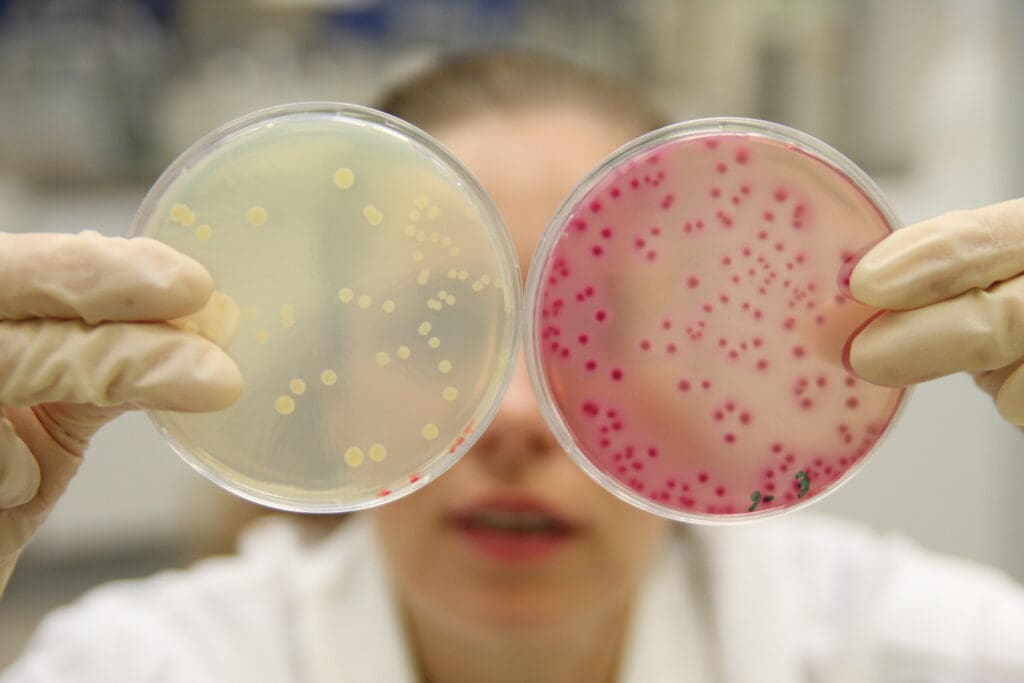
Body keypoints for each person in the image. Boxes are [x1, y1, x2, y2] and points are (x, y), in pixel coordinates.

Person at [2, 51, 1024, 683]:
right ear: (328, 373)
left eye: (602, 332)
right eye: (437, 329)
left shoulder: (924, 651)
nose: (518, 414)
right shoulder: (141, 666)